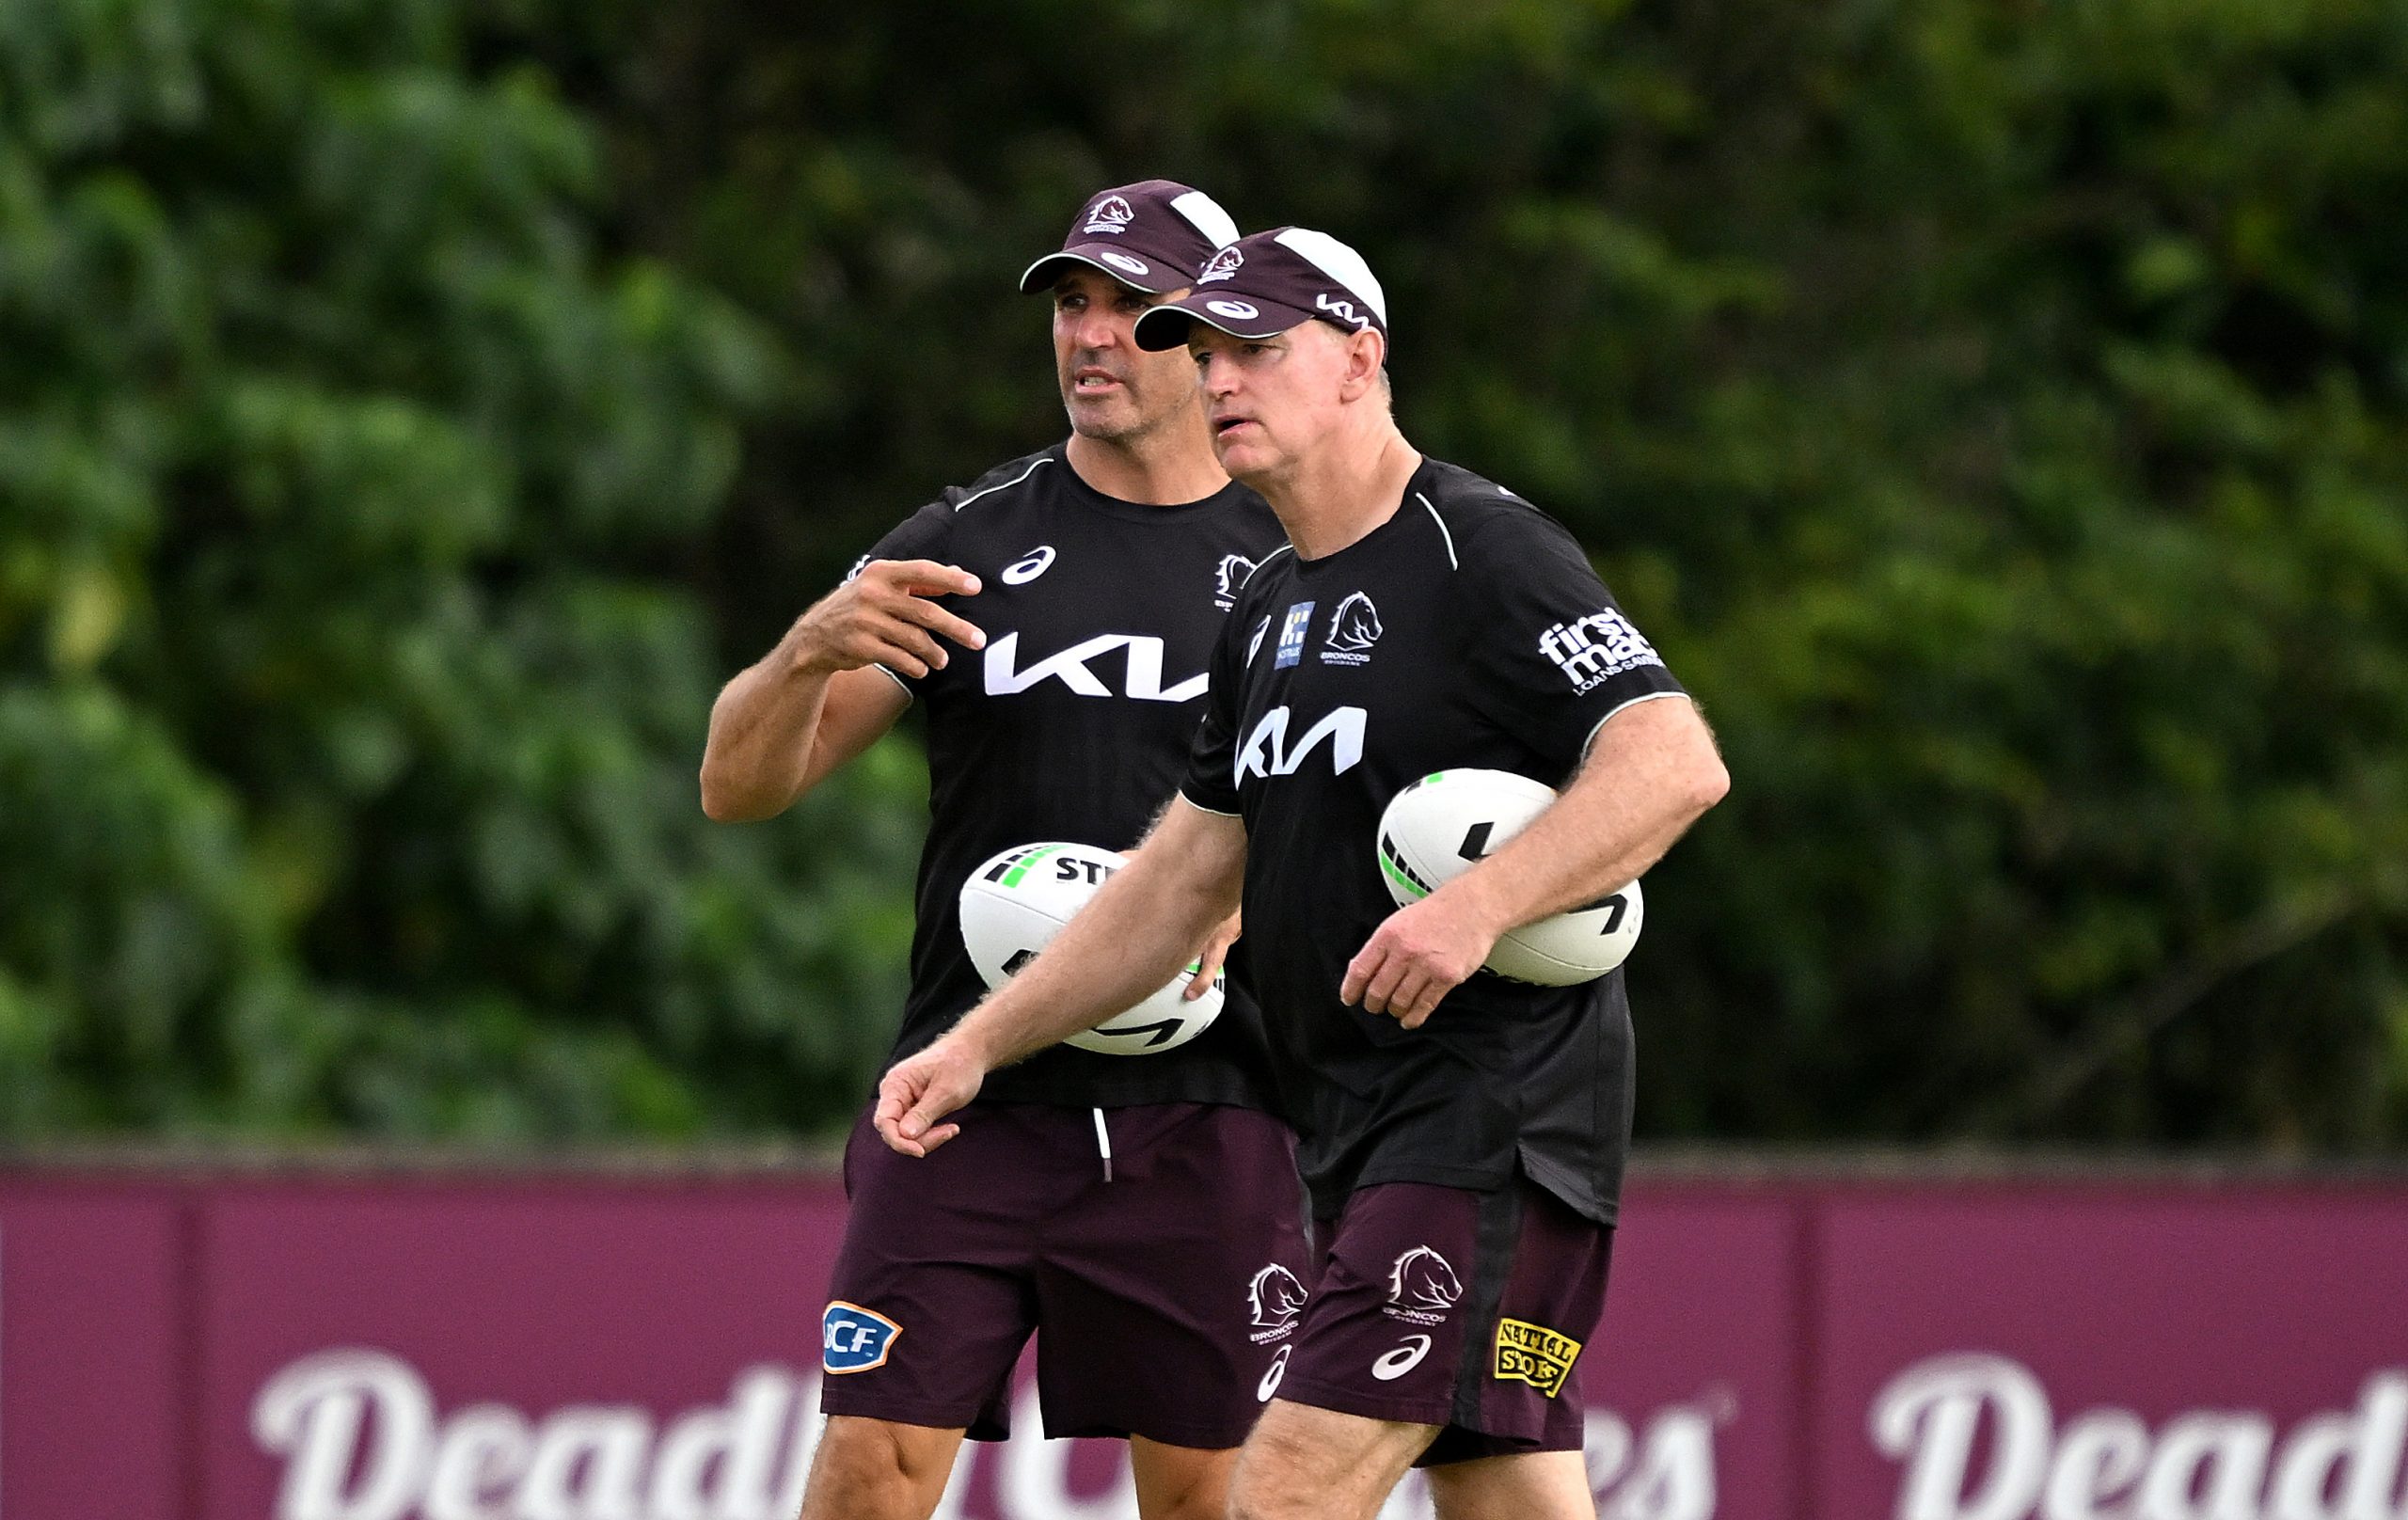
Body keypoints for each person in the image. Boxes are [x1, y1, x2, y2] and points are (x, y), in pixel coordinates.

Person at [874, 226, 1731, 1520]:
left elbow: (1672, 763)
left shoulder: (1479, 550)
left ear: (1359, 360)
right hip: (1355, 1130)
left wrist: (1479, 904)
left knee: (1284, 1490)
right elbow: (1178, 886)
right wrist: (981, 1045)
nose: (1221, 380)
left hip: (1490, 1116)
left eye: (1258, 349)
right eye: (1203, 352)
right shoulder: (1269, 605)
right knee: (1509, 1495)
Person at [700, 184, 1308, 1520]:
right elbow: (739, 786)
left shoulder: (1303, 553)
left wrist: (1263, 894)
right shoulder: (971, 545)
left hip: (1211, 1107)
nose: (1090, 336)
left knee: (1214, 1498)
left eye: (1131, 311)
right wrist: (808, 648)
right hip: (965, 1104)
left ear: (1210, 336)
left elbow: (1410, 809)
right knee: (868, 1468)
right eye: (1071, 304)